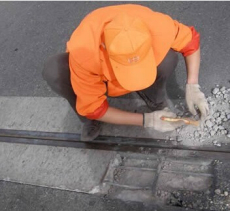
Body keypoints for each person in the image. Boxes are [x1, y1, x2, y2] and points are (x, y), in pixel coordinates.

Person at [42, 4, 209, 141]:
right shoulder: (86, 53)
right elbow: (94, 108)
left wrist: (193, 85)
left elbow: (191, 42)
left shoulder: (156, 26)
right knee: (54, 70)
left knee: (168, 59)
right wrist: (146, 121)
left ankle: (155, 102)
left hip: (126, 57)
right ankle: (90, 122)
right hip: (99, 79)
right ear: (106, 49)